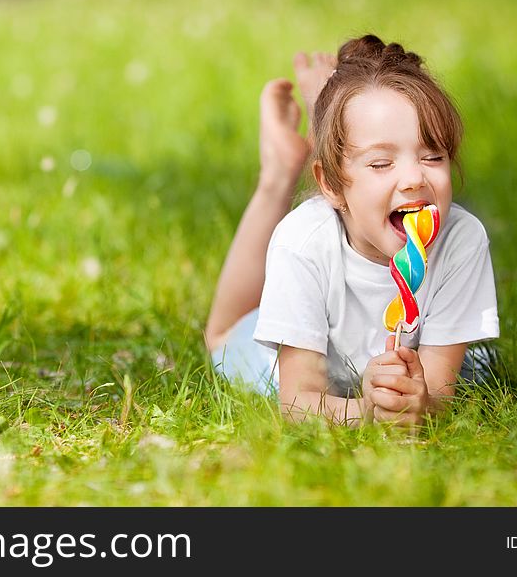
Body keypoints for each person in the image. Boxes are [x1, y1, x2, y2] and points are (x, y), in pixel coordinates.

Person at [204, 34, 500, 429]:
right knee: (222, 340)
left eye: (433, 156)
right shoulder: (305, 241)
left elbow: (436, 396)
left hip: (373, 355)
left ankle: (331, 126)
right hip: (305, 363)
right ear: (331, 185)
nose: (414, 178)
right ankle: (281, 172)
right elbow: (297, 402)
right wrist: (367, 412)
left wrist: (418, 402)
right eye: (381, 163)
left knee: (482, 370)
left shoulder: (461, 239)